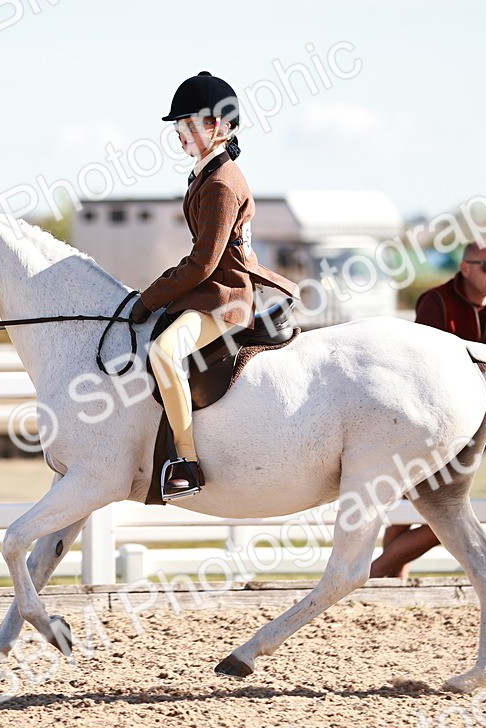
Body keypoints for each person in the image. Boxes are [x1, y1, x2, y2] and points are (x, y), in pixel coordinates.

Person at [127, 71, 299, 501]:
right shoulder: (206, 173)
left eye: (189, 125)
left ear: (218, 127)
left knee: (164, 354)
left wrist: (151, 297)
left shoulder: (221, 182)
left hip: (226, 303)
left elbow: (203, 262)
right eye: (178, 127)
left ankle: (186, 460)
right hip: (208, 295)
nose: (180, 134)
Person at [369, 241, 486, 580]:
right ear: (465, 268)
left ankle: (384, 575)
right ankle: (381, 573)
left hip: (470, 420)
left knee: (423, 505)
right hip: (430, 419)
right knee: (434, 509)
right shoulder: (435, 300)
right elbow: (428, 363)